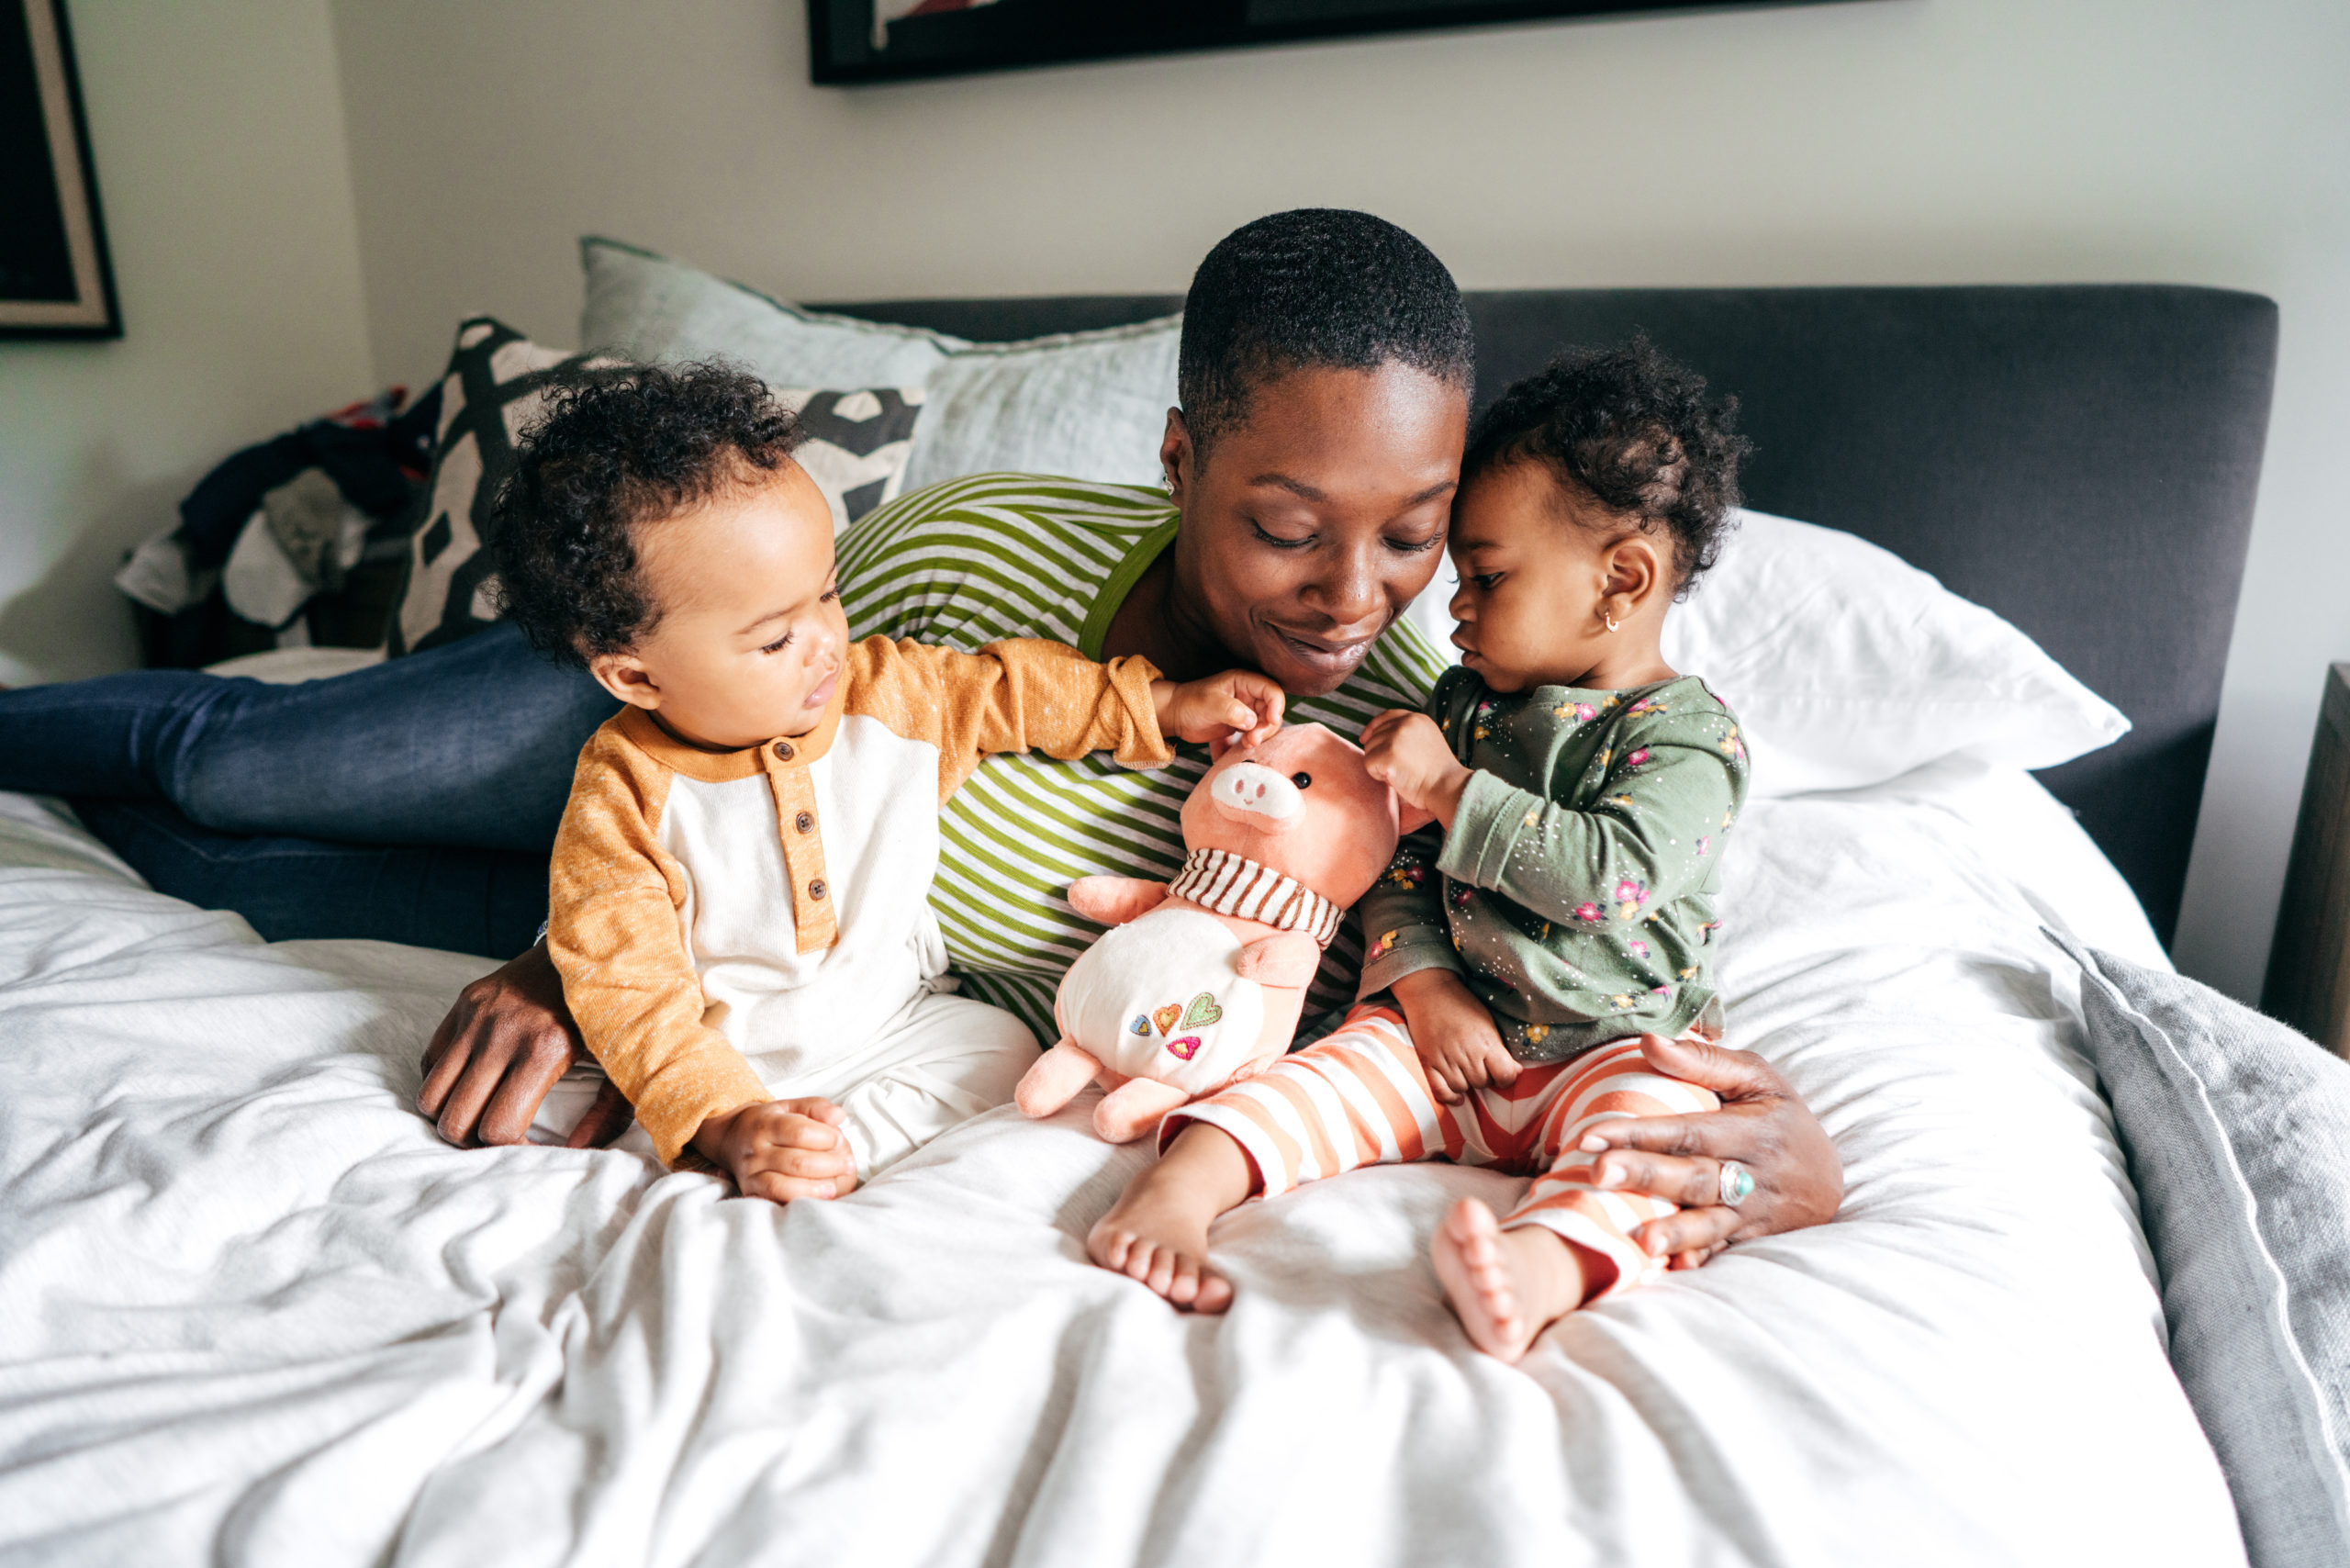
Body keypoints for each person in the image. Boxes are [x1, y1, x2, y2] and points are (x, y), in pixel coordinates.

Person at [0, 208, 1841, 1263]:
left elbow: (1578, 938)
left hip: (775, 958)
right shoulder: (977, 553)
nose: (1352, 587)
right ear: (1181, 457)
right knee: (241, 762)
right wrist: (561, 953)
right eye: (1285, 519)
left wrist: (1755, 1135)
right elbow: (744, 675)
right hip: (654, 770)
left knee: (227, 875)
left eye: (1413, 524)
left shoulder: (1413, 730)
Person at [1089, 341, 1763, 1359]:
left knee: (1649, 1143)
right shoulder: (1465, 705)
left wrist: (1448, 785)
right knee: (1305, 1083)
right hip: (1443, 1041)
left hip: (1611, 1045)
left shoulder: (1684, 743)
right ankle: (1176, 1193)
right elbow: (1398, 865)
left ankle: (1539, 1265)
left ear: (1621, 579)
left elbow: (1607, 879)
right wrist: (1423, 985)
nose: (1453, 608)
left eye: (1486, 577)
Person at [488, 364, 1281, 1197]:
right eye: (772, 641)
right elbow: (629, 988)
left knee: (1000, 1048)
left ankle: (829, 1149)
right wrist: (719, 1117)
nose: (827, 642)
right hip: (719, 1047)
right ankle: (755, 1143)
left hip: (894, 1022)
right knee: (573, 1091)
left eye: (827, 595)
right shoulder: (623, 795)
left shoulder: (888, 692)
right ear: (636, 678)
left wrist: (1160, 704)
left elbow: (1014, 692)